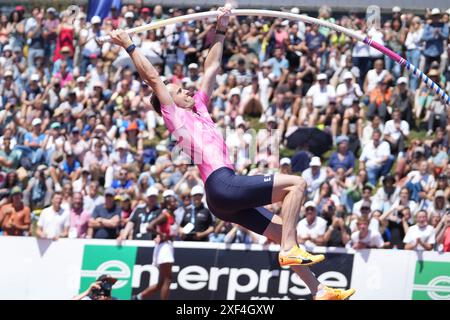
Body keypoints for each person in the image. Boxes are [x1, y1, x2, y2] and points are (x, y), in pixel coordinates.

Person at [109, 6, 354, 300]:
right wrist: (129, 45)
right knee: (297, 184)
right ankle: (289, 250)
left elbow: (211, 68)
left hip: (221, 199)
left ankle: (319, 290)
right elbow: (152, 79)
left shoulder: (199, 107)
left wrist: (221, 28)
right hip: (221, 183)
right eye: (179, 90)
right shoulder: (172, 113)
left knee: (280, 230)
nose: (186, 90)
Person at [133, 190, 178, 300]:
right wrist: (160, 234)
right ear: (168, 205)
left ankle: (138, 297)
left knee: (161, 283)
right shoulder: (164, 215)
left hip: (167, 246)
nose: (176, 203)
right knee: (168, 279)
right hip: (164, 248)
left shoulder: (172, 216)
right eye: (173, 202)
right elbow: (149, 227)